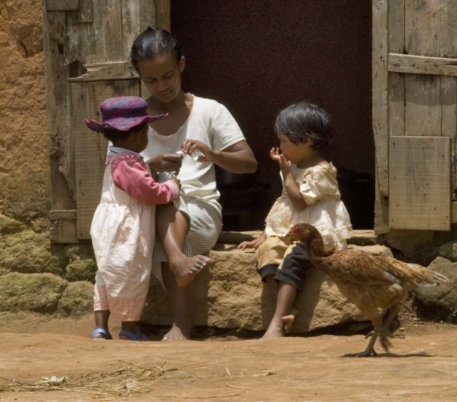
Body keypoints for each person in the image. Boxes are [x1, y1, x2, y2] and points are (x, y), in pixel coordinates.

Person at [130, 27, 258, 341]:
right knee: (164, 195)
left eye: (168, 75)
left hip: (201, 213)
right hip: (147, 213)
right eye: (151, 80)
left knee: (172, 200)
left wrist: (213, 154)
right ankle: (177, 265)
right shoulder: (132, 119)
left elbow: (249, 163)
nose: (162, 86)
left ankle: (178, 323)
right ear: (140, 77)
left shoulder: (209, 111)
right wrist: (149, 165)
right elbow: (114, 172)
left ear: (182, 65)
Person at [239, 101, 352, 339]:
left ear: (307, 140)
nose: (280, 147)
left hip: (315, 233)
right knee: (267, 251)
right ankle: (288, 309)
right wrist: (266, 233)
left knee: (293, 257)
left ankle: (277, 322)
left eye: (284, 141)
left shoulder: (322, 171)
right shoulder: (294, 167)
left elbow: (299, 201)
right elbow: (285, 202)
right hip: (291, 228)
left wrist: (286, 172)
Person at [86, 96, 181, 341]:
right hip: (126, 229)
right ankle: (129, 329)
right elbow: (148, 192)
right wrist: (172, 187)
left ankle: (100, 328)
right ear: (138, 135)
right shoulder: (128, 162)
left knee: (107, 272)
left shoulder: (115, 158)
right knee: (131, 272)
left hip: (109, 226)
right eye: (146, 132)